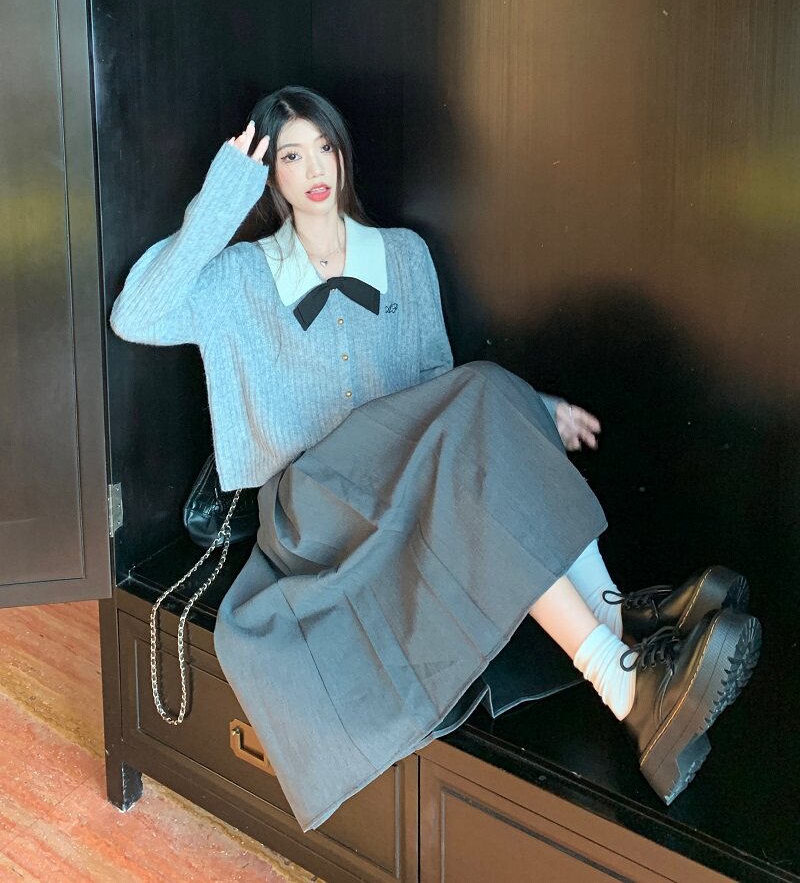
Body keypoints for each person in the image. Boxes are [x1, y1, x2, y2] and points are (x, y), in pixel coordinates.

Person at [109, 85, 761, 834]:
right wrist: (218, 201)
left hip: (400, 479)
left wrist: (532, 409)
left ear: (343, 154)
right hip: (312, 510)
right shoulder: (240, 277)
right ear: (269, 175)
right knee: (490, 396)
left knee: (489, 395)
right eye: (290, 156)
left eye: (324, 147)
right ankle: (627, 643)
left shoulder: (404, 256)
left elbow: (443, 391)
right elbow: (136, 315)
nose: (314, 168)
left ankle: (629, 677)